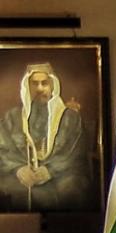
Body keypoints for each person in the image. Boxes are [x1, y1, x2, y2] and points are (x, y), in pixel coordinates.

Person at [0, 62, 92, 211]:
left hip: (61, 174)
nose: (39, 88)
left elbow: (74, 153)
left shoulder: (70, 118)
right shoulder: (12, 117)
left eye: (44, 83)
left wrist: (49, 170)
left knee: (70, 189)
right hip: (21, 174)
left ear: (52, 86)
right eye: (34, 84)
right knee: (10, 190)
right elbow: (3, 149)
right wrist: (19, 169)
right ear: (27, 86)